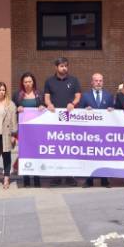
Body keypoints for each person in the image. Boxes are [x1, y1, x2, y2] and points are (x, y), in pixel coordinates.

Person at [44, 57, 81, 187]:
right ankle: (56, 176)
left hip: (70, 120)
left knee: (69, 148)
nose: (64, 68)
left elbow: (78, 96)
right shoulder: (49, 81)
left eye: (66, 66)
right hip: (54, 121)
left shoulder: (74, 80)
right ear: (56, 67)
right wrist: (49, 104)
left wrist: (73, 103)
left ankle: (70, 176)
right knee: (56, 148)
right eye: (61, 66)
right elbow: (46, 98)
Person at [13, 72, 45, 188]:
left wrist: (42, 107)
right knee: (25, 153)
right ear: (22, 83)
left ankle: (37, 179)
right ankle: (26, 179)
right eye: (25, 82)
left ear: (33, 82)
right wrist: (17, 108)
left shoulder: (39, 94)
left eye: (30, 81)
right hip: (24, 130)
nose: (27, 84)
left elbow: (46, 107)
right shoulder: (17, 95)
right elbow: (12, 110)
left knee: (36, 153)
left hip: (37, 130)